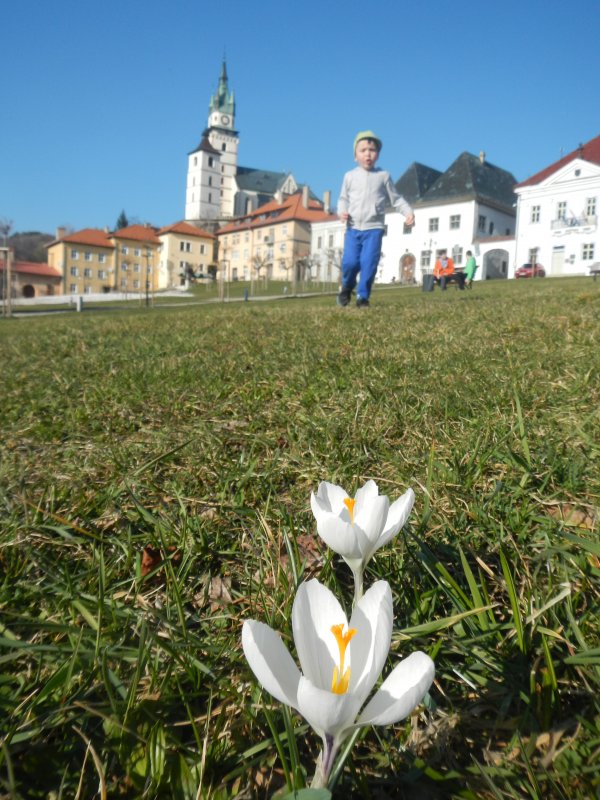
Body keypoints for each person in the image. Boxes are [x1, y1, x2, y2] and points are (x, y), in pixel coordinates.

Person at [337, 130, 414, 308]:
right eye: (363, 150)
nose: (368, 154)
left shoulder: (383, 176)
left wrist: (408, 212)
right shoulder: (349, 176)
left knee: (368, 263)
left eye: (372, 150)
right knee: (350, 262)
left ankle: (363, 297)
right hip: (353, 228)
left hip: (374, 228)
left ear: (377, 154)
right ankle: (347, 287)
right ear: (355, 155)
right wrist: (342, 211)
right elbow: (343, 199)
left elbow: (396, 199)